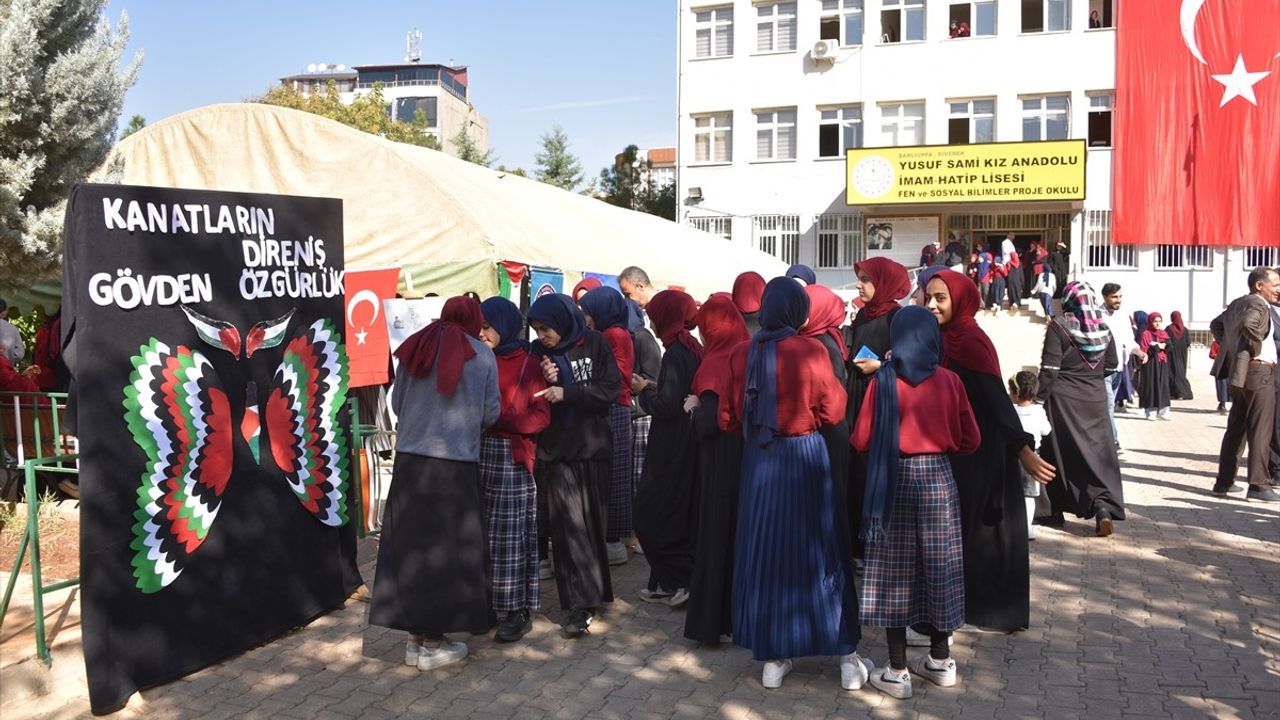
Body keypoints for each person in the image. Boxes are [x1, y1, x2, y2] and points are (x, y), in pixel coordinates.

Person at [721, 278, 867, 690]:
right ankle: (846, 659)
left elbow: (729, 418)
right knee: (821, 552)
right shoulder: (810, 351)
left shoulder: (742, 353)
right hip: (805, 459)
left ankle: (772, 657)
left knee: (767, 554)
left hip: (761, 464)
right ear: (798, 311)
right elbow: (834, 409)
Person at [851, 305, 980, 700]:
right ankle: (940, 661)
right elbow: (970, 439)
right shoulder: (951, 381)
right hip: (939, 480)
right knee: (940, 568)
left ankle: (896, 670)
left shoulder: (883, 382)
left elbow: (860, 440)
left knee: (895, 573)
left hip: (892, 481)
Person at [370, 296, 500, 672]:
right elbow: (491, 413)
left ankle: (414, 639)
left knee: (412, 550)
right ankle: (431, 642)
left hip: (411, 462)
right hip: (454, 466)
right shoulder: (482, 355)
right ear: (474, 320)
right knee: (446, 554)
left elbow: (397, 402)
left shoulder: (418, 346)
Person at [922, 270, 1056, 632]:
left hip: (980, 453)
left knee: (981, 532)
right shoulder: (934, 338)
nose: (932, 305)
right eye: (928, 297)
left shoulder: (971, 342)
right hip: (948, 451)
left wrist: (1022, 450)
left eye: (941, 298)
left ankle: (988, 610)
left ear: (960, 300)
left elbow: (999, 402)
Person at [527, 293, 624, 635]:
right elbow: (528, 395)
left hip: (593, 448)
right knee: (568, 529)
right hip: (557, 453)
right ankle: (577, 605)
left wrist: (567, 390)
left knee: (593, 525)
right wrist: (543, 379)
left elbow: (610, 388)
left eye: (547, 329)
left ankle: (594, 594)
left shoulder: (594, 342)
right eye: (537, 330)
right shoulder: (537, 354)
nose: (543, 336)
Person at [477, 297, 552, 643]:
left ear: (504, 325)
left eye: (488, 326)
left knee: (510, 538)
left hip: (513, 456)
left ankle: (515, 609)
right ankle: (487, 605)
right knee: (482, 536)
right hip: (479, 454)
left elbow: (540, 417)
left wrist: (500, 420)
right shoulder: (478, 360)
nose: (482, 332)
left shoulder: (529, 364)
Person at [1035, 282, 1126, 536]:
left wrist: (1037, 401)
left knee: (1057, 454)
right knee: (1098, 455)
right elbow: (1111, 364)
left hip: (1063, 401)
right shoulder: (1104, 328)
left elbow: (1050, 370)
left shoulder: (1059, 326)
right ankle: (1103, 508)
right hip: (1095, 400)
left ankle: (1053, 511)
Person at [684, 293, 749, 644]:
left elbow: (709, 423)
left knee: (715, 537)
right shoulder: (747, 351)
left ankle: (710, 623)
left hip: (719, 460)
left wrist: (693, 407)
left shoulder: (714, 362)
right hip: (747, 457)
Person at [631, 290, 702, 607]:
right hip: (684, 440)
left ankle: (681, 578)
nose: (653, 322)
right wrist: (653, 386)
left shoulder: (675, 352)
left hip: (670, 443)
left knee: (650, 511)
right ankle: (664, 580)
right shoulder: (690, 346)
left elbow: (666, 406)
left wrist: (641, 394)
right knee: (672, 509)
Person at [843, 258, 912, 550]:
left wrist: (881, 367)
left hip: (880, 397)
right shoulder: (863, 315)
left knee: (874, 467)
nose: (859, 284)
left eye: (866, 279)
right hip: (856, 396)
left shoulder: (897, 318)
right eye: (859, 278)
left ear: (883, 283)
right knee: (855, 471)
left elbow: (907, 362)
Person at [578, 287, 636, 566]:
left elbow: (611, 373)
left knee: (612, 474)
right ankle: (613, 542)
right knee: (616, 473)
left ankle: (612, 542)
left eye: (588, 312)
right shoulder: (618, 333)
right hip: (617, 404)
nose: (586, 318)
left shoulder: (612, 335)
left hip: (613, 406)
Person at [1211, 268, 1280, 502]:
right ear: (1259, 286)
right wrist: (1253, 350)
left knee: (1236, 429)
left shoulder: (1236, 304)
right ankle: (1259, 485)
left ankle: (1224, 482)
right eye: (1275, 285)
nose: (1278, 290)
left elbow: (1216, 325)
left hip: (1241, 374)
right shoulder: (1259, 304)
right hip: (1259, 370)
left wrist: (1235, 349)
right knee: (1261, 429)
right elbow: (1251, 327)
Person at [803, 284, 854, 542]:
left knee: (830, 498)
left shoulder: (822, 345)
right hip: (827, 428)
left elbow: (831, 397)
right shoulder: (821, 338)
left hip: (828, 431)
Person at [628, 298, 662, 556]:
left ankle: (642, 533)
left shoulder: (642, 338)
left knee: (640, 477)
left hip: (641, 414)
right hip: (635, 413)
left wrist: (639, 389)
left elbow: (655, 379)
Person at [1008, 372, 1051, 540]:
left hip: (1012, 456)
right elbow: (1046, 430)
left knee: (1012, 493)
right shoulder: (1039, 411)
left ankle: (1011, 525)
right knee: (1029, 495)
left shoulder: (1009, 411)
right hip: (1033, 457)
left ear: (1015, 393)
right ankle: (1026, 528)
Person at [1100, 283, 1142, 446]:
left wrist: (1138, 351)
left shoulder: (1123, 315)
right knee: (1108, 405)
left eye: (1120, 297)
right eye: (1114, 297)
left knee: (1108, 407)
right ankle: (1113, 439)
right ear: (1105, 297)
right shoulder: (1097, 315)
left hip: (1119, 368)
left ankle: (1105, 438)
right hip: (1104, 370)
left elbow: (1128, 340)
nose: (1118, 300)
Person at [1137, 313, 1173, 420]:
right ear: (1150, 322)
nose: (1157, 323)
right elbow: (1144, 350)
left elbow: (1170, 346)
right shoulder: (1146, 334)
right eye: (1155, 321)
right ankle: (1151, 412)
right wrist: (1158, 346)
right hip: (1150, 364)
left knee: (1163, 387)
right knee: (1151, 386)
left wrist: (1158, 345)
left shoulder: (1164, 333)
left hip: (1162, 363)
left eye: (1159, 321)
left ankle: (1163, 412)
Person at [1166, 311, 1194, 400]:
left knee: (1172, 371)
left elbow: (1165, 340)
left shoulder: (1169, 329)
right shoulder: (1185, 330)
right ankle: (1182, 392)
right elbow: (1188, 342)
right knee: (1180, 372)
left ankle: (1176, 392)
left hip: (1171, 354)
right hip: (1182, 355)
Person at [1002, 235, 1024, 311]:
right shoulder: (1019, 264)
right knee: (1017, 292)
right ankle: (1017, 303)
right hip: (1017, 282)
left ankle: (1011, 304)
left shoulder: (1009, 263)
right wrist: (1022, 283)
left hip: (1010, 281)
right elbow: (1021, 276)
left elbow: (1006, 272)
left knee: (1011, 292)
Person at [974, 244, 994, 310]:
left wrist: (991, 277)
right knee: (979, 292)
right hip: (980, 279)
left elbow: (991, 268)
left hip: (986, 278)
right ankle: (981, 305)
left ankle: (986, 305)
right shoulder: (979, 263)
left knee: (986, 292)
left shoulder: (988, 258)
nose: (979, 259)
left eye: (980, 258)